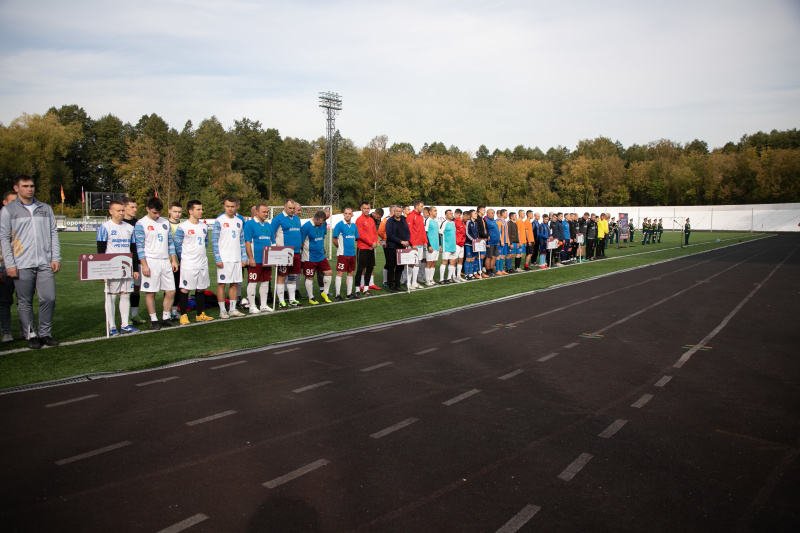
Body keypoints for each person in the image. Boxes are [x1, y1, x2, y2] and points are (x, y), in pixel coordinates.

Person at [0, 175, 61, 349]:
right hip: (21, 264)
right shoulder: (8, 211)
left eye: (32, 186)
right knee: (25, 301)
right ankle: (31, 334)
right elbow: (4, 239)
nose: (30, 189)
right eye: (25, 186)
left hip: (44, 263)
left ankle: (45, 333)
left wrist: (55, 257)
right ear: (16, 188)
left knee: (49, 298)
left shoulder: (45, 208)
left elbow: (53, 234)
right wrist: (10, 264)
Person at [134, 197, 179, 330]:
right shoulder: (141, 224)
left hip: (165, 261)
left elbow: (170, 242)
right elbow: (139, 246)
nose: (157, 215)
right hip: (150, 261)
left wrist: (173, 260)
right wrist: (144, 264)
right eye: (154, 212)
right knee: (151, 292)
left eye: (159, 212)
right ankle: (153, 320)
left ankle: (165, 317)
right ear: (147, 209)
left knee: (171, 290)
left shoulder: (165, 223)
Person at [96, 199, 139, 335]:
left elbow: (133, 249)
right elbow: (100, 251)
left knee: (125, 294)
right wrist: (103, 272)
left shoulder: (129, 228)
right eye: (118, 210)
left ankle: (125, 325)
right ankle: (112, 326)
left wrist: (135, 269)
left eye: (122, 210)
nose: (121, 213)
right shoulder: (105, 228)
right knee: (111, 296)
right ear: (111, 212)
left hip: (126, 267)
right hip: (111, 267)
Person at [173, 200, 215, 323]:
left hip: (202, 262)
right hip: (188, 263)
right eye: (198, 209)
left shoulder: (203, 226)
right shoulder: (183, 227)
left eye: (201, 209)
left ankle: (200, 314)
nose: (201, 211)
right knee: (185, 289)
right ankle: (184, 315)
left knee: (201, 288)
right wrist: (185, 257)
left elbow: (206, 242)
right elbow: (177, 244)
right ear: (190, 211)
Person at [212, 197, 247, 318]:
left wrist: (243, 257)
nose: (230, 208)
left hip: (236, 258)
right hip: (224, 259)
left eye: (232, 206)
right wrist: (218, 259)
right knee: (222, 284)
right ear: (224, 206)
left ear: (236, 206)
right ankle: (222, 310)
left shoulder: (239, 221)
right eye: (228, 206)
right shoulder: (219, 220)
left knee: (234, 283)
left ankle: (232, 309)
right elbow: (214, 241)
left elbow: (242, 241)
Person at [243, 203, 274, 313]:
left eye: (267, 212)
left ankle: (263, 305)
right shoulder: (249, 224)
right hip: (255, 259)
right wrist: (250, 258)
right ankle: (252, 306)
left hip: (267, 260)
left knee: (265, 282)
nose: (266, 214)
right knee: (253, 282)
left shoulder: (268, 225)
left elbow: (272, 243)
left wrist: (274, 258)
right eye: (263, 212)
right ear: (256, 212)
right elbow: (247, 242)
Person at [271, 199, 302, 309]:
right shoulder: (278, 219)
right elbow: (272, 234)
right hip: (284, 253)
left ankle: (292, 299)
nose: (292, 210)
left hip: (296, 252)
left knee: (293, 277)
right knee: (281, 276)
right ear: (284, 207)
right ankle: (281, 301)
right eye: (290, 208)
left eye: (293, 208)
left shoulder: (297, 219)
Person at [300, 210, 333, 305]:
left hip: (320, 255)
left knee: (329, 272)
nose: (322, 224)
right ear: (315, 219)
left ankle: (325, 293)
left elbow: (322, 238)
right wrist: (308, 249)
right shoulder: (306, 226)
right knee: (310, 277)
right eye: (320, 222)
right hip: (309, 257)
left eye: (323, 222)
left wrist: (321, 248)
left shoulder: (323, 225)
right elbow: (301, 243)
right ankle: (311, 297)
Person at [122, 197, 146, 325]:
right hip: (122, 262)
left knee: (136, 288)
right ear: (124, 208)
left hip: (136, 262)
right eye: (132, 207)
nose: (135, 209)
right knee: (124, 290)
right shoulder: (120, 223)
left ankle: (134, 315)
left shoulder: (138, 223)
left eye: (136, 207)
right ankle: (124, 318)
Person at [0, 191, 18, 342]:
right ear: (4, 203)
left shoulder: (20, 219)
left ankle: (26, 330)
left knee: (23, 301)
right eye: (12, 202)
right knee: (4, 301)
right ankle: (6, 331)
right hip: (3, 268)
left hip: (22, 267)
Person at [332, 207, 358, 300]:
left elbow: (356, 238)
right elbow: (334, 239)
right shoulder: (339, 225)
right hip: (343, 254)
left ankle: (349, 294)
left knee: (350, 272)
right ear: (343, 214)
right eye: (346, 213)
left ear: (352, 215)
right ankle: (337, 295)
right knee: (340, 273)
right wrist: (339, 248)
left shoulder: (354, 226)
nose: (347, 215)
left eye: (349, 213)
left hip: (352, 253)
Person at [384, 205, 410, 291]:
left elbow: (407, 232)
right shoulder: (390, 221)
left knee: (400, 267)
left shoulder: (403, 220)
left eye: (399, 211)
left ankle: (397, 285)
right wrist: (400, 241)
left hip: (402, 247)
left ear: (401, 212)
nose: (398, 213)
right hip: (392, 247)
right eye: (396, 211)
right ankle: (390, 285)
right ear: (394, 212)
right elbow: (389, 234)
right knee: (391, 266)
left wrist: (406, 241)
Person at [355, 201, 377, 297]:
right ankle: (357, 290)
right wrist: (371, 243)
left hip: (371, 248)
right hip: (363, 248)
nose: (366, 210)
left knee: (370, 268)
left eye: (368, 208)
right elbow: (360, 235)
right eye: (365, 208)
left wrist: (375, 242)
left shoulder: (371, 220)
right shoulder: (359, 220)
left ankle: (366, 288)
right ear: (361, 208)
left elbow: (375, 233)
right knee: (360, 269)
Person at [167, 201, 183, 319]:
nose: (177, 214)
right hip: (165, 261)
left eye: (179, 212)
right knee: (168, 288)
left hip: (180, 261)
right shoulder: (165, 225)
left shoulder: (183, 226)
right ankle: (166, 311)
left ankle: (173, 311)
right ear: (169, 211)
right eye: (175, 211)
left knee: (177, 286)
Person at [406, 200, 426, 290]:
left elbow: (422, 230)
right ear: (416, 206)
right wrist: (413, 243)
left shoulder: (421, 217)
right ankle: (408, 282)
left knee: (418, 263)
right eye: (421, 206)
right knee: (411, 263)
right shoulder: (411, 216)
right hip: (413, 244)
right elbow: (409, 231)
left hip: (421, 244)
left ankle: (414, 282)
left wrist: (425, 241)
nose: (423, 208)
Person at [438, 209, 458, 283]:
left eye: (452, 213)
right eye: (450, 213)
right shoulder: (444, 223)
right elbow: (440, 234)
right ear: (446, 215)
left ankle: (449, 278)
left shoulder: (453, 223)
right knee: (444, 262)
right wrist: (440, 244)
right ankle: (441, 279)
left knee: (452, 262)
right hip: (446, 246)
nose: (451, 214)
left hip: (453, 246)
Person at [484, 208, 500, 276]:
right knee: (488, 257)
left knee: (494, 257)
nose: (493, 214)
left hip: (496, 242)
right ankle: (488, 271)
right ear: (487, 214)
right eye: (491, 213)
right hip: (490, 242)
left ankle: (491, 270)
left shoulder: (493, 220)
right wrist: (487, 241)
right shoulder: (486, 220)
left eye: (493, 213)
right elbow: (485, 230)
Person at [475, 205, 489, 277]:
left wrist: (487, 236)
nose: (485, 211)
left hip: (484, 240)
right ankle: (475, 272)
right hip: (479, 240)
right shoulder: (477, 219)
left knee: (482, 256)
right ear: (479, 210)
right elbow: (479, 230)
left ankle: (480, 271)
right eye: (484, 210)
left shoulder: (482, 219)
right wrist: (485, 236)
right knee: (478, 256)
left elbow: (486, 228)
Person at [464, 209, 478, 280]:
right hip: (469, 244)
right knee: (468, 258)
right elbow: (467, 233)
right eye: (475, 213)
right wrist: (472, 240)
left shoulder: (476, 223)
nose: (476, 215)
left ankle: (471, 274)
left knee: (473, 259)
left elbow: (477, 233)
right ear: (471, 215)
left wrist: (477, 240)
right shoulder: (468, 222)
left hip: (475, 244)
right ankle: (466, 274)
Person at [454, 208, 466, 280]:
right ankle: (453, 276)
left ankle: (458, 275)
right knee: (454, 260)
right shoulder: (456, 221)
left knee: (461, 260)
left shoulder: (463, 223)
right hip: (457, 243)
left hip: (462, 244)